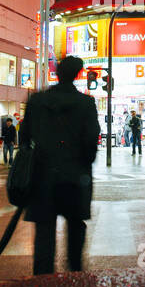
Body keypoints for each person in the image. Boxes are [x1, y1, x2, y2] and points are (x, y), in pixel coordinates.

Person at [19, 56, 100, 275]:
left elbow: (24, 138)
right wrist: (82, 163)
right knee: (75, 229)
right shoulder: (86, 104)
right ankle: (75, 280)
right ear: (78, 74)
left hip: (42, 176)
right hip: (75, 177)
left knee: (44, 233)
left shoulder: (37, 101)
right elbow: (91, 142)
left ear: (56, 73)